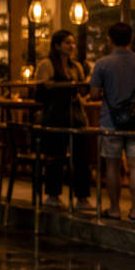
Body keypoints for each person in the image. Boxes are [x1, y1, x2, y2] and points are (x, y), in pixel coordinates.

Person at [35, 30, 91, 210]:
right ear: (57, 45)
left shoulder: (77, 67)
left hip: (76, 116)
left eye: (73, 43)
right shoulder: (47, 64)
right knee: (55, 157)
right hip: (55, 116)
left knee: (81, 158)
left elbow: (83, 91)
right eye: (67, 42)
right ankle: (53, 194)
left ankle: (82, 197)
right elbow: (41, 91)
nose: (71, 46)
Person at [89, 22, 135, 220]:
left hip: (110, 121)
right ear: (131, 39)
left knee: (112, 166)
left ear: (110, 39)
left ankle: (115, 209)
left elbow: (94, 94)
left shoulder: (102, 64)